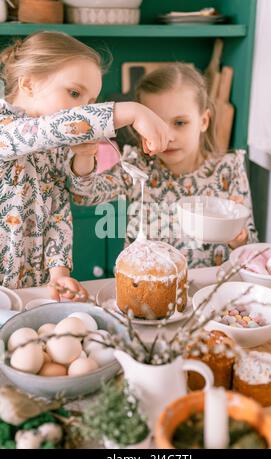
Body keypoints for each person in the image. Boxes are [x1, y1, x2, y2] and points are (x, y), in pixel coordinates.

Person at [0, 31, 169, 298]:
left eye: (89, 103)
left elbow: (61, 208)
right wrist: (133, 111)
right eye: (74, 93)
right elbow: (46, 129)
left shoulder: (56, 147)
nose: (82, 109)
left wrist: (59, 274)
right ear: (29, 85)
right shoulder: (6, 129)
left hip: (34, 287)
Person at [69, 62, 258, 268]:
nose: (167, 136)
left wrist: (238, 240)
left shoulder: (229, 169)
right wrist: (85, 154)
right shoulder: (137, 166)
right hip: (144, 289)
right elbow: (83, 195)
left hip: (208, 291)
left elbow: (252, 250)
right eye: (156, 123)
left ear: (203, 121)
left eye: (179, 123)